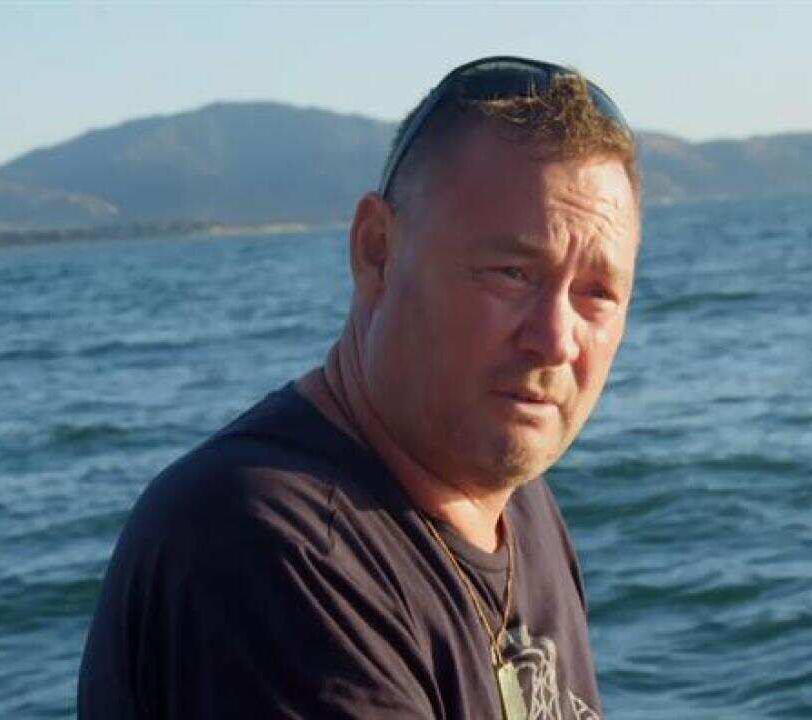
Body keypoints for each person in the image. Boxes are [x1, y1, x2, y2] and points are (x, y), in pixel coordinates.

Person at [78, 56, 640, 720]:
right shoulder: (269, 549)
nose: (555, 339)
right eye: (511, 272)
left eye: (596, 293)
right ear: (377, 251)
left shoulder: (520, 510)